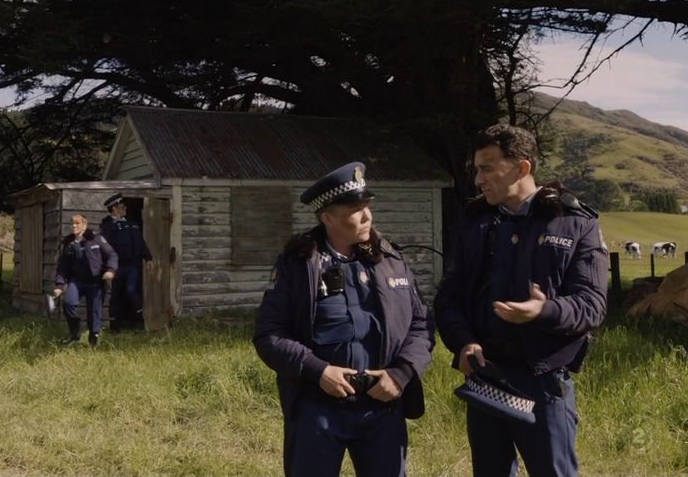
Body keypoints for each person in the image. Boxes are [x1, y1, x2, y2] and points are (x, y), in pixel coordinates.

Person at [434, 124, 608, 477]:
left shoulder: (574, 223)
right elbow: (449, 297)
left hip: (543, 381)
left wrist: (545, 310)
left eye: (487, 168)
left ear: (522, 168)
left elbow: (592, 305)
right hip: (485, 374)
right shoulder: (476, 223)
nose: (478, 180)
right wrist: (463, 341)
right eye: (477, 169)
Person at [253, 162, 434, 477]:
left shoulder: (390, 260)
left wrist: (401, 374)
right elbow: (269, 335)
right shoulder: (300, 266)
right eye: (355, 209)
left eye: (367, 206)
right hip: (318, 407)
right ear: (327, 217)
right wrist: (318, 371)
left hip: (382, 406)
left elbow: (421, 325)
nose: (367, 216)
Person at [54, 214, 118, 347]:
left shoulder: (96, 239)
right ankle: (75, 331)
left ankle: (93, 341)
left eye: (77, 223)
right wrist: (59, 285)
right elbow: (63, 266)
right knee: (68, 303)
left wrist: (110, 270)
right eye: (72, 223)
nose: (73, 226)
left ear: (84, 224)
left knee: (94, 312)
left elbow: (112, 254)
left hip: (95, 281)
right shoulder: (69, 243)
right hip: (77, 281)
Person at [100, 194, 152, 332]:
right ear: (114, 209)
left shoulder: (131, 224)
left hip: (132, 265)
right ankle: (115, 326)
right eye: (122, 206)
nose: (125, 208)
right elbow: (104, 248)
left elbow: (140, 242)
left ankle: (139, 323)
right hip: (116, 266)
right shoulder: (107, 226)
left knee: (131, 290)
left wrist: (148, 258)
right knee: (116, 294)